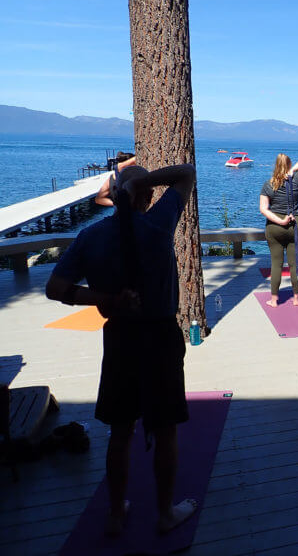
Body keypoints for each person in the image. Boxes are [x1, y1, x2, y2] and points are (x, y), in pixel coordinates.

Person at [45, 162, 198, 535]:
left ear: (113, 197)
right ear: (145, 196)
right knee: (164, 429)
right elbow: (186, 173)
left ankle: (116, 513)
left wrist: (104, 298)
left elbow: (56, 289)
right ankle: (164, 513)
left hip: (120, 341)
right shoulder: (158, 225)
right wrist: (139, 181)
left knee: (121, 430)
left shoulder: (91, 237)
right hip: (159, 339)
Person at [259, 154, 298, 307]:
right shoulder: (296, 180)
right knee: (294, 264)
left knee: (276, 264)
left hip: (275, 227)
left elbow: (263, 209)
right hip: (295, 225)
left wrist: (280, 221)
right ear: (289, 165)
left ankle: (274, 300)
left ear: (275, 166)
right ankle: (296, 299)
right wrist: (293, 170)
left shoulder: (268, 185)